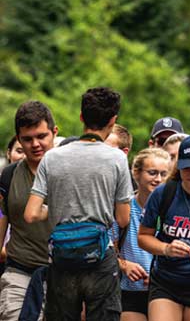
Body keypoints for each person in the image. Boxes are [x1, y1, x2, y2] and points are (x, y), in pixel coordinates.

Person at [24, 87, 133, 321]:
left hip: (62, 259)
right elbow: (123, 219)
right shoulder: (117, 159)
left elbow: (31, 214)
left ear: (82, 117)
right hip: (100, 258)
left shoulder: (52, 157)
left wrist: (59, 209)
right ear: (113, 120)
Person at [138, 136, 190, 321]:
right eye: (186, 166)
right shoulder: (164, 192)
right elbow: (143, 236)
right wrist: (166, 249)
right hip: (166, 280)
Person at [0, 101, 58, 321]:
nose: (35, 144)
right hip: (19, 273)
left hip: (65, 275)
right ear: (18, 139)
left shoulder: (72, 173)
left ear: (54, 132)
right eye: (27, 139)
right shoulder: (8, 177)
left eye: (41, 136)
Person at [112, 148, 170, 321]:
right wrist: (124, 265)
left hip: (166, 290)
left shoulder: (173, 209)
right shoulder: (124, 208)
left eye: (163, 174)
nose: (158, 179)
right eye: (152, 173)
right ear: (136, 173)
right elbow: (108, 249)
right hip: (129, 290)